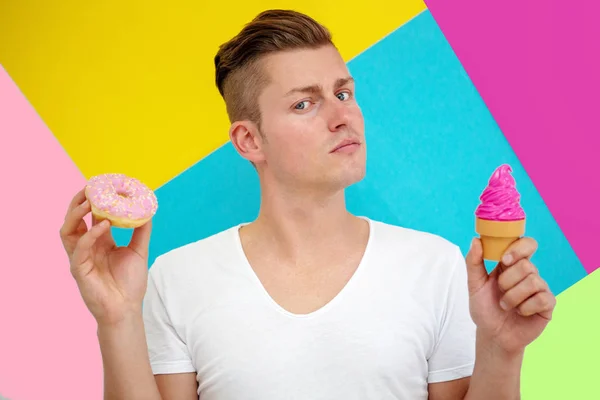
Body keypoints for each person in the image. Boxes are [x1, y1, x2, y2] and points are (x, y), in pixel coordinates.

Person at [60, 9, 556, 400]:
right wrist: (117, 319)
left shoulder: (435, 265)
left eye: (343, 92)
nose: (343, 116)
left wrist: (501, 350)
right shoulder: (177, 279)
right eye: (304, 103)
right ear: (249, 140)